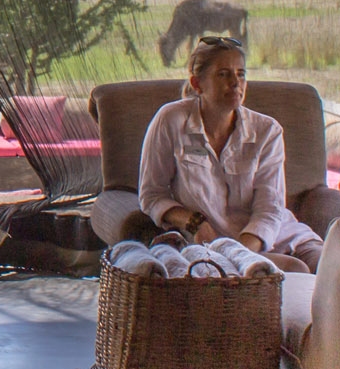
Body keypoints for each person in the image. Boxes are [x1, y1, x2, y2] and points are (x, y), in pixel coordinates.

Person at [133, 35, 325, 272]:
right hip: (207, 247)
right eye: (223, 74)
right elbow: (152, 195)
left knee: (328, 268)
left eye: (241, 74)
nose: (235, 83)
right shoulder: (171, 120)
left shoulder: (267, 131)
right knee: (295, 270)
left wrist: (239, 254)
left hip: (276, 238)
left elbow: (270, 207)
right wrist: (194, 222)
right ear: (197, 84)